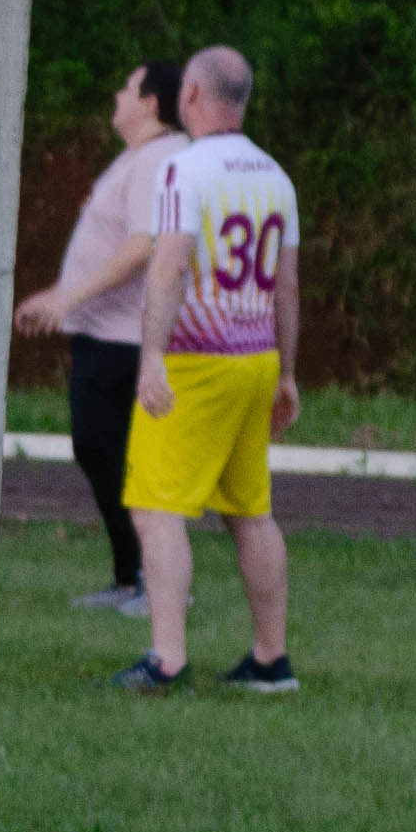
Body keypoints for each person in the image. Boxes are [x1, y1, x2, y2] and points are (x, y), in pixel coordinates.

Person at [113, 46, 301, 697]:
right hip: (257, 358)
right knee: (251, 511)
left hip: (199, 360)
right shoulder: (276, 176)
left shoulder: (184, 170)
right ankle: (271, 659)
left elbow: (169, 268)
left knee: (157, 505)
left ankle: (166, 658)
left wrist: (151, 357)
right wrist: (287, 374)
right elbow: (286, 286)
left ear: (190, 94)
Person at [10, 59, 183, 618]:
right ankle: (130, 577)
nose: (117, 94)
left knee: (124, 460)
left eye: (128, 88)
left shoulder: (158, 158)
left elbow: (144, 246)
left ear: (150, 103)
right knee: (98, 450)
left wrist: (68, 300)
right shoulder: (136, 158)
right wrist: (61, 296)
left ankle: (157, 583)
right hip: (101, 335)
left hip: (126, 339)